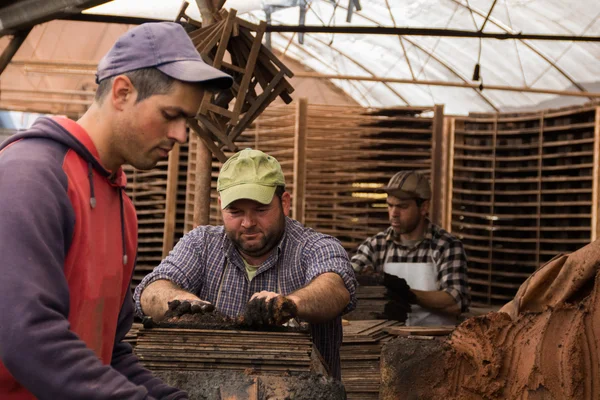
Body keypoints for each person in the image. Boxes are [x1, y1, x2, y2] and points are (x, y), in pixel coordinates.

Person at [0, 22, 233, 399]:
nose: (180, 135)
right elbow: (27, 337)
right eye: (170, 114)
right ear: (123, 92)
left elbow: (107, 354)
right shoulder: (31, 178)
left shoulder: (122, 208)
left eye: (186, 120)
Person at [134, 148, 357, 380]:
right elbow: (150, 291)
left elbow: (335, 289)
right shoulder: (201, 244)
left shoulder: (316, 247)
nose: (248, 222)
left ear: (285, 202)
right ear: (221, 205)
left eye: (261, 210)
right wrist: (181, 302)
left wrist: (290, 304)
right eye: (235, 211)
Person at [351, 170, 470, 326]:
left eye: (402, 206)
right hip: (388, 341)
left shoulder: (446, 246)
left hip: (437, 342)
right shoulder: (376, 246)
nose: (394, 213)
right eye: (390, 205)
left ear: (424, 207)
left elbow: (455, 302)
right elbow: (347, 279)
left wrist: (405, 293)